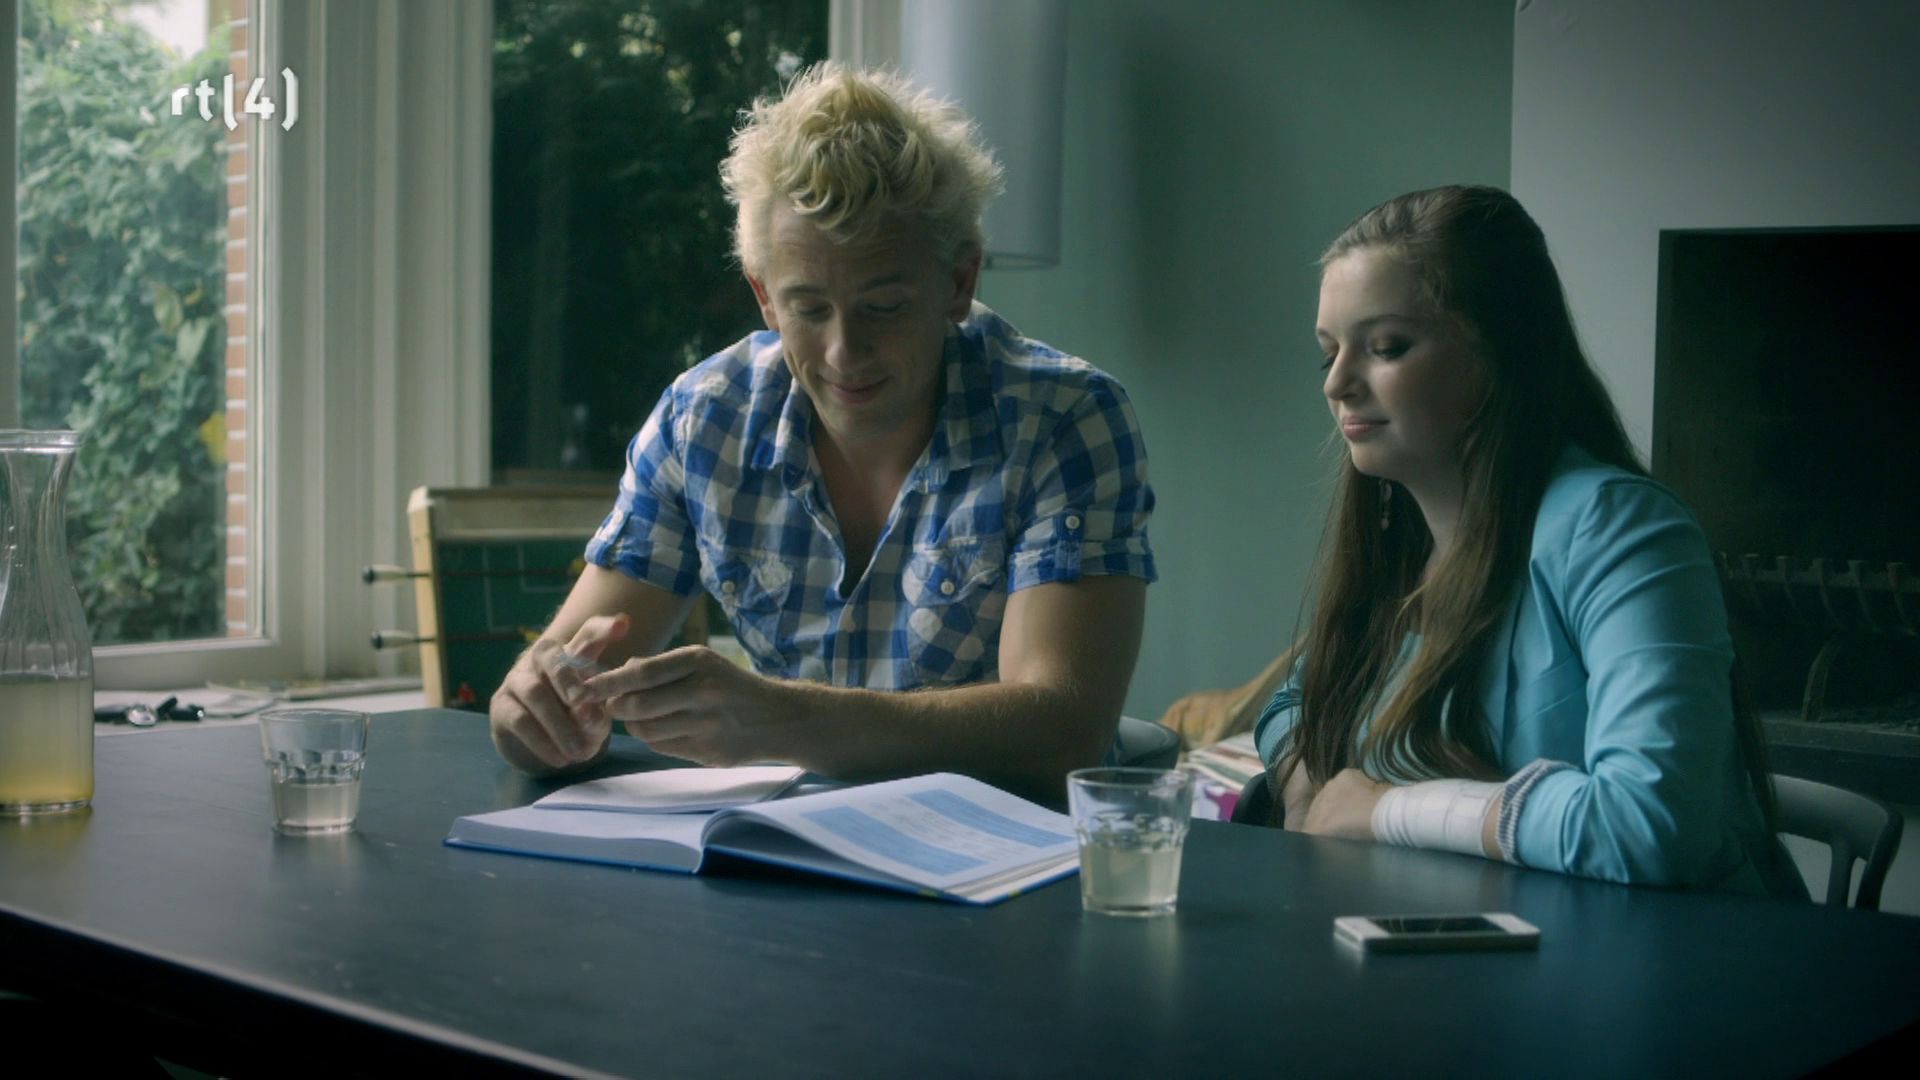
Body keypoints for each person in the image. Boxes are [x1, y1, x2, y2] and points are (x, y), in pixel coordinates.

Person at [488, 63, 1156, 803]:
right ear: (764, 296)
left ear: (959, 283)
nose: (843, 353)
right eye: (809, 308)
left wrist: (776, 720)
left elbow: (1063, 730)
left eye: (883, 306)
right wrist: (533, 713)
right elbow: (565, 673)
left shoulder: (1064, 419)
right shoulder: (702, 420)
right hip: (783, 842)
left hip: (1006, 854)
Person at [1256, 184, 1804, 897]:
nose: (1337, 383)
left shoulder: (1620, 527)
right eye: (1328, 352)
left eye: (1386, 347)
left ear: (1498, 351)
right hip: (1463, 943)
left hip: (1670, 955)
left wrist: (1387, 809)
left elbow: (1652, 824)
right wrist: (1305, 783)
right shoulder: (1398, 539)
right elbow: (1291, 707)